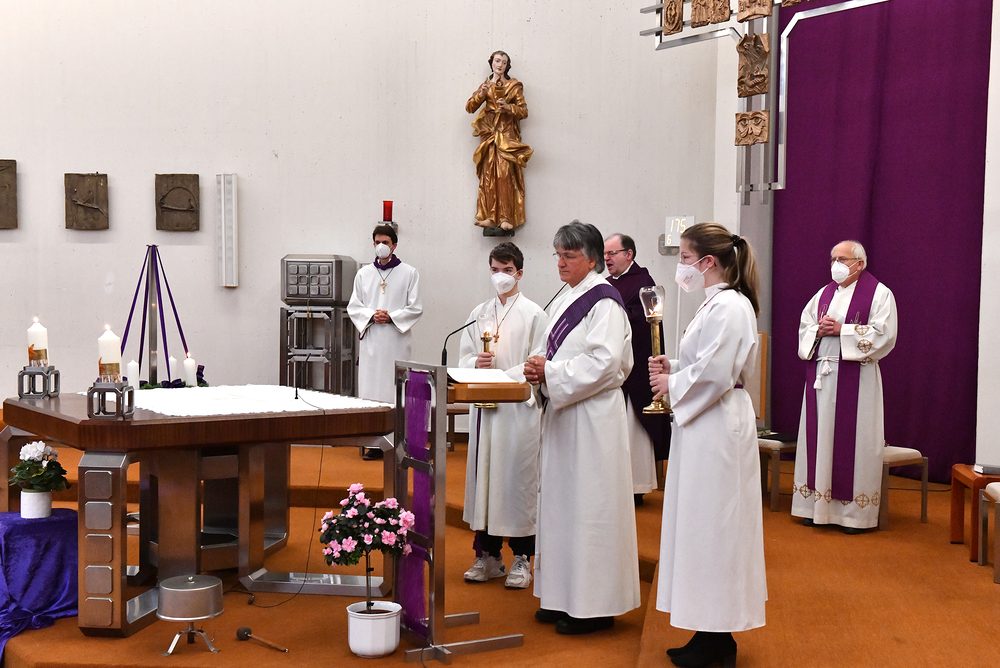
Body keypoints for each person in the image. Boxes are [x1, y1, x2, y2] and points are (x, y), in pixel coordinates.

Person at [648, 222, 766, 668]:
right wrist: (676, 366)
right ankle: (707, 630)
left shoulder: (731, 305)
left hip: (718, 426)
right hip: (705, 424)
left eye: (684, 257)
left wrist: (672, 383)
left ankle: (720, 638)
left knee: (717, 528)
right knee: (701, 526)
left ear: (708, 262)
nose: (681, 265)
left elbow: (717, 373)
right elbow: (707, 362)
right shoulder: (716, 302)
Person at [523, 221, 641, 635]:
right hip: (564, 414)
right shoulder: (566, 297)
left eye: (569, 256)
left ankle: (594, 606)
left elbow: (606, 363)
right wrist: (535, 368)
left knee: (591, 508)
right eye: (557, 255)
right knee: (562, 507)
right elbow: (548, 349)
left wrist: (551, 373)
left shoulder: (604, 302)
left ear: (592, 260)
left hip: (592, 419)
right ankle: (561, 596)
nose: (560, 263)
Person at [791, 240, 897, 533]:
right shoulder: (823, 295)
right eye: (833, 259)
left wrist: (843, 330)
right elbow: (805, 327)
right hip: (822, 379)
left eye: (843, 259)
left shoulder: (879, 293)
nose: (835, 264)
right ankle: (816, 508)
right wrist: (818, 330)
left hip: (857, 379)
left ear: (859, 264)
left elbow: (884, 334)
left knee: (855, 442)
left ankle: (852, 516)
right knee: (819, 438)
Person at [458, 242, 548, 589]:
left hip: (517, 412)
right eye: (495, 269)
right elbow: (464, 356)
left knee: (516, 484)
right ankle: (489, 556)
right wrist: (475, 363)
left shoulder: (534, 314)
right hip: (486, 410)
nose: (500, 276)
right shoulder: (479, 312)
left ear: (519, 273)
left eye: (507, 270)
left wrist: (500, 376)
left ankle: (523, 558)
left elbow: (536, 362)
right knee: (485, 483)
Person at [604, 232, 671, 505]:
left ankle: (636, 486)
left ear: (628, 254)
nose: (607, 258)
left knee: (634, 429)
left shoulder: (644, 283)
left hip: (636, 371)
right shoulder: (608, 284)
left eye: (612, 253)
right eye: (605, 254)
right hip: (615, 369)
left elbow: (645, 325)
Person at [347, 225, 422, 460]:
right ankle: (373, 442)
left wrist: (392, 316)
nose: (381, 246)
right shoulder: (363, 274)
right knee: (370, 390)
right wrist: (372, 315)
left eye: (386, 242)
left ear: (394, 245)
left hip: (395, 341)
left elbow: (415, 307)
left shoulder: (409, 273)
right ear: (373, 244)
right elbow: (354, 306)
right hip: (372, 342)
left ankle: (398, 441)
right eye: (377, 242)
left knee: (395, 389)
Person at [466, 50, 533, 231]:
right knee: (488, 176)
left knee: (504, 176)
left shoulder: (514, 86)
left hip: (506, 136)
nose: (500, 65)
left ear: (507, 65)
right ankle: (488, 216)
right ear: (492, 63)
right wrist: (481, 94)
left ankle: (505, 217)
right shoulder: (486, 85)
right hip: (489, 135)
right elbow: (470, 107)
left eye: (504, 62)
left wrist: (508, 108)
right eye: (497, 61)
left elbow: (524, 111)